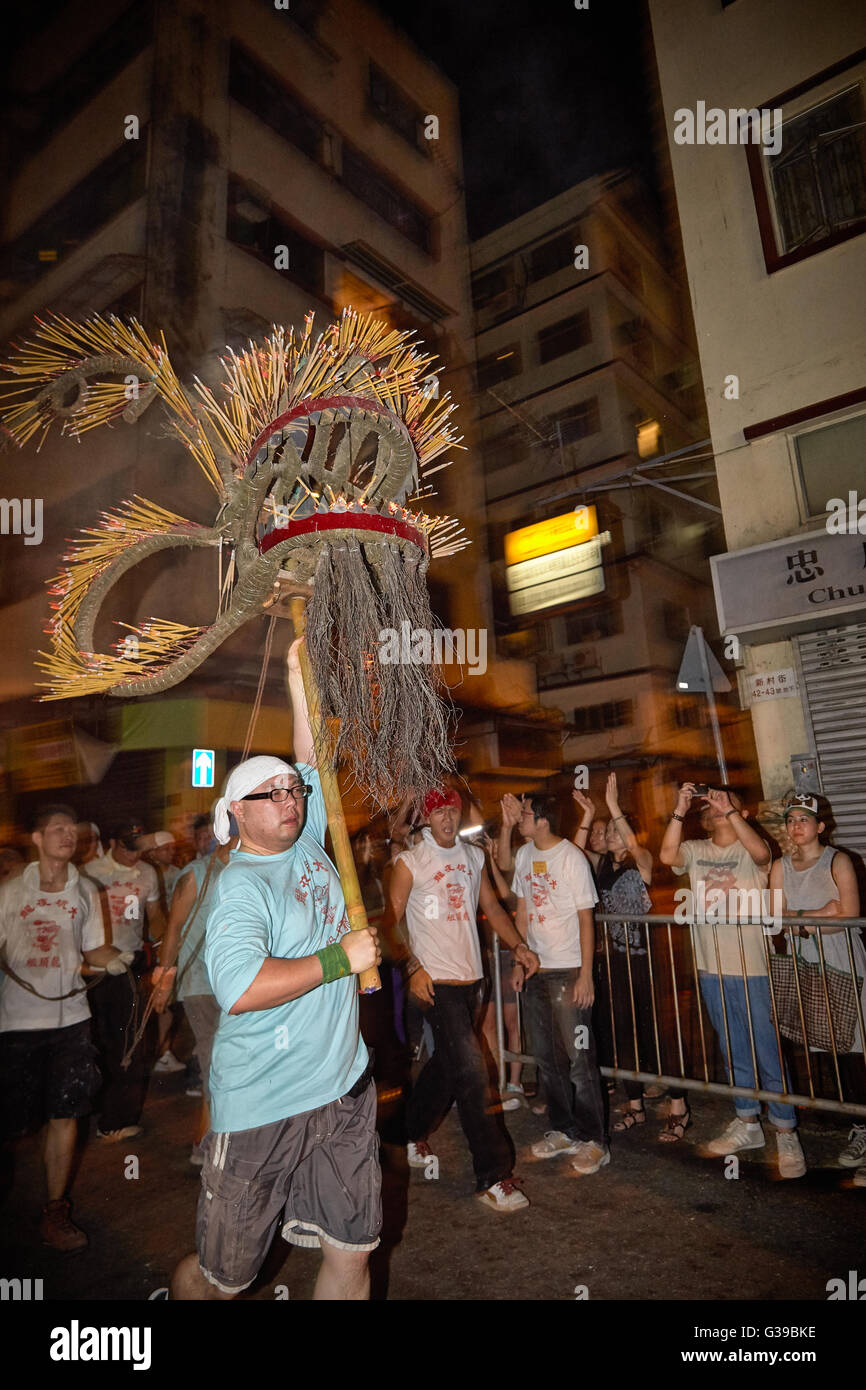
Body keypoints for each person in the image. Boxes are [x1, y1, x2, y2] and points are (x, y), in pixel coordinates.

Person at [170, 635, 382, 1300]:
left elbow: (310, 753)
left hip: (341, 1089)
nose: (288, 800)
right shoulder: (241, 886)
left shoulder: (309, 833)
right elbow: (240, 988)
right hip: (262, 1105)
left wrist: (299, 676)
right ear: (234, 814)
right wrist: (338, 959)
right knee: (223, 1280)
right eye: (268, 795)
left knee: (353, 1251)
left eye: (291, 791)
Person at [386, 787, 540, 1212]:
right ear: (427, 819)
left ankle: (405, 1133)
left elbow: (490, 904)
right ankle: (493, 1175)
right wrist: (413, 969)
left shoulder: (473, 857)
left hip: (474, 980)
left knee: (447, 1067)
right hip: (435, 984)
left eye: (452, 810)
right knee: (473, 1073)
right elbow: (389, 923)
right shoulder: (410, 862)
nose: (447, 818)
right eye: (438, 812)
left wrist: (520, 946)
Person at [0, 804, 131, 1250]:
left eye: (70, 829)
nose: (66, 834)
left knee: (66, 1112)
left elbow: (92, 949)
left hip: (72, 1020)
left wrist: (112, 959)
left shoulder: (86, 890)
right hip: (15, 1022)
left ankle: (54, 1211)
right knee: (11, 1123)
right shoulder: (10, 891)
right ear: (36, 839)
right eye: (55, 828)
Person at [660, 782, 806, 1178]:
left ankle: (786, 1129)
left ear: (741, 812)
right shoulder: (696, 849)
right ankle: (747, 1122)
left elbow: (762, 852)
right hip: (712, 966)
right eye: (712, 803)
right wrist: (679, 807)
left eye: (727, 802)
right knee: (733, 1046)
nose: (717, 806)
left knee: (768, 1049)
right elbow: (667, 854)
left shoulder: (752, 850)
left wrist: (732, 813)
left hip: (753, 967)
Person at [576, 775, 690, 1140]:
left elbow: (633, 846)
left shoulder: (641, 860)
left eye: (614, 830)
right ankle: (635, 1104)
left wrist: (613, 808)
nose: (608, 834)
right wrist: (590, 814)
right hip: (615, 961)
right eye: (606, 830)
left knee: (659, 1032)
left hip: (649, 962)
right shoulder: (601, 866)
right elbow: (573, 853)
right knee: (623, 1032)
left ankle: (677, 1105)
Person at [770, 795, 866, 1187]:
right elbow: (774, 918)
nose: (797, 826)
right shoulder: (780, 866)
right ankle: (858, 1127)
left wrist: (806, 921)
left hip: (843, 960)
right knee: (831, 1048)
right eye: (791, 819)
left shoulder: (839, 860)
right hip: (806, 964)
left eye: (804, 820)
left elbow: (852, 913)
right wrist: (820, 915)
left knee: (857, 1046)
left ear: (820, 826)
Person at [513, 794, 609, 1176]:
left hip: (569, 971)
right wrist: (518, 960)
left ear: (542, 820)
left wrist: (586, 974)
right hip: (536, 969)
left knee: (579, 1061)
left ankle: (595, 1140)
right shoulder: (523, 856)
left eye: (524, 813)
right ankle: (562, 1129)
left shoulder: (571, 858)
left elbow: (587, 919)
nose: (520, 819)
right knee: (547, 1060)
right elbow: (521, 912)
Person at [151, 839, 236, 1163]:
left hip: (235, 982)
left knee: (226, 1063)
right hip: (200, 982)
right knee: (216, 1063)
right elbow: (173, 927)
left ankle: (216, 1140)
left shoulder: (248, 868)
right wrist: (164, 980)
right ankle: (204, 1144)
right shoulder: (197, 873)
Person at [86, 822, 165, 1139]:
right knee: (95, 1042)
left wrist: (163, 949)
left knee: (130, 1043)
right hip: (93, 968)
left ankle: (116, 1121)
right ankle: (92, 1106)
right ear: (112, 843)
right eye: (129, 848)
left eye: (140, 848)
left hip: (131, 964)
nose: (135, 856)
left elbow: (155, 914)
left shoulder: (147, 873)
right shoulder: (90, 872)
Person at [140, 830, 185, 1074]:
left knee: (167, 1002)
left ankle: (164, 1051)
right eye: (166, 849)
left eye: (172, 848)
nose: (171, 853)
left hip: (167, 947)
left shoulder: (180, 875)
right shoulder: (142, 875)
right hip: (147, 948)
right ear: (153, 852)